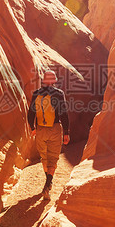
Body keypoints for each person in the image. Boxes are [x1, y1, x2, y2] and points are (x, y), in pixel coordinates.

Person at [27, 70, 70, 199]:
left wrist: (32, 128)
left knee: (44, 158)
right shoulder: (58, 94)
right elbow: (64, 114)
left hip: (40, 129)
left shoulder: (36, 94)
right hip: (55, 129)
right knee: (53, 158)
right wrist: (66, 133)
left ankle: (47, 184)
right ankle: (48, 184)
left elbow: (31, 113)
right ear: (53, 81)